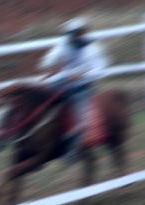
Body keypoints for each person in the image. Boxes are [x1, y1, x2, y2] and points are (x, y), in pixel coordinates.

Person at [40, 17, 109, 163]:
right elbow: (50, 58)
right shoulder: (64, 45)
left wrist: (82, 74)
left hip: (82, 86)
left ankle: (74, 150)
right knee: (42, 101)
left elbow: (101, 70)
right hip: (63, 81)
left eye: (76, 33)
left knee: (81, 117)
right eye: (71, 34)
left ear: (83, 33)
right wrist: (49, 66)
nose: (73, 37)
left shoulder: (92, 49)